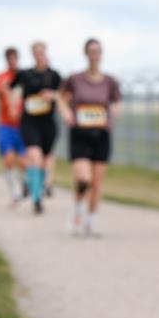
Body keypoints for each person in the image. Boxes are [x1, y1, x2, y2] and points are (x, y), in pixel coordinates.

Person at [58, 38, 122, 236]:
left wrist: (111, 115)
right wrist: (67, 114)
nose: (95, 54)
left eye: (98, 50)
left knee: (96, 182)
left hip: (101, 134)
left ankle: (90, 222)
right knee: (83, 178)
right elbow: (61, 97)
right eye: (91, 50)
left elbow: (117, 103)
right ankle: (77, 208)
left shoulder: (110, 81)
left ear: (102, 54)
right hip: (79, 133)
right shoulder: (75, 79)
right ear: (86, 53)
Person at [4, 41, 62, 214]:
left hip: (48, 123)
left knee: (43, 161)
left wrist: (52, 95)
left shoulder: (54, 75)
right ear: (32, 55)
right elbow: (11, 89)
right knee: (34, 156)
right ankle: (37, 199)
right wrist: (13, 105)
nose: (39, 55)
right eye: (36, 52)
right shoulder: (25, 74)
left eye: (42, 52)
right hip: (29, 122)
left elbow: (64, 95)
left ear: (46, 53)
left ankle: (34, 186)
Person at [0, 47, 27, 204]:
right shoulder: (0, 77)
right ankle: (15, 191)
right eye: (9, 58)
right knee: (9, 159)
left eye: (15, 58)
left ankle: (25, 184)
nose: (12, 61)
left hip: (23, 124)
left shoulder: (24, 76)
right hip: (5, 124)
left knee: (24, 161)